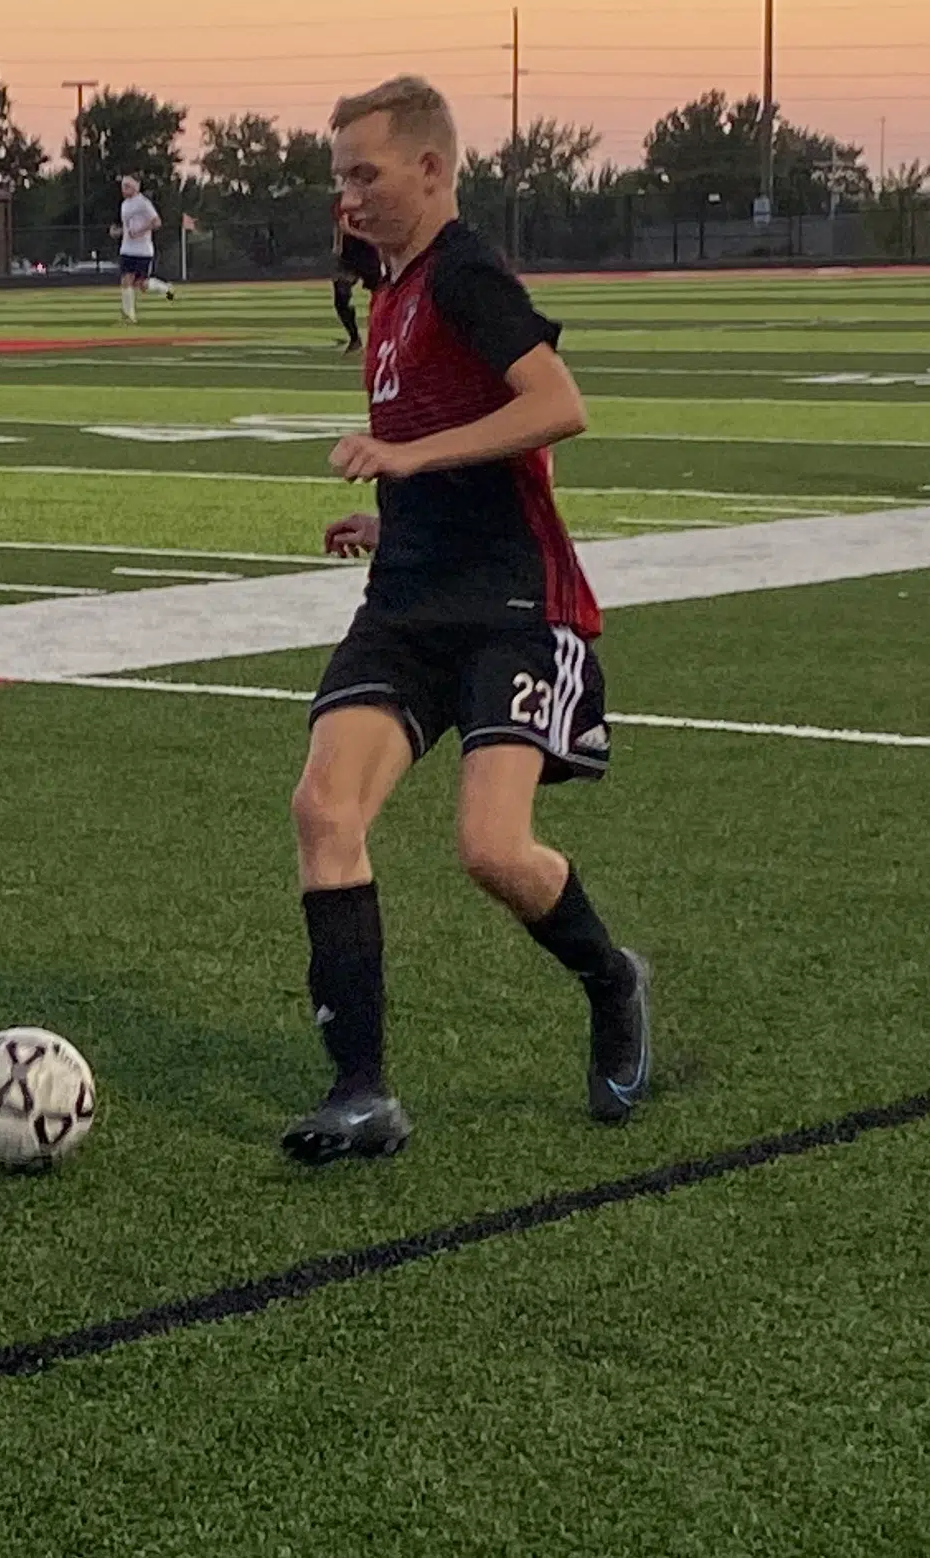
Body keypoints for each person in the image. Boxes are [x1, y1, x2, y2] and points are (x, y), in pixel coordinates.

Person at [279, 74, 647, 1166]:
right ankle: (361, 1094)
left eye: (366, 173)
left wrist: (406, 457)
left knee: (492, 850)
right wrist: (391, 516)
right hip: (407, 601)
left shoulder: (466, 272)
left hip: (510, 606)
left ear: (430, 170)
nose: (347, 195)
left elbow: (557, 405)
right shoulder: (387, 292)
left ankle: (611, 976)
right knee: (323, 810)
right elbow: (452, 449)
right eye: (339, 174)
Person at [116, 175, 176, 322]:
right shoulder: (124, 204)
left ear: (135, 187)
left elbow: (157, 222)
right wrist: (118, 232)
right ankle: (128, 315)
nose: (124, 189)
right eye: (123, 186)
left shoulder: (143, 203)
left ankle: (166, 288)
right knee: (126, 280)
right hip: (127, 248)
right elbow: (127, 227)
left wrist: (140, 231)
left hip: (142, 249)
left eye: (127, 186)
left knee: (141, 284)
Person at [332, 195, 384, 352]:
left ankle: (381, 337)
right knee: (341, 298)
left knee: (380, 300)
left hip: (368, 255)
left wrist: (352, 232)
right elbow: (339, 224)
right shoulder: (343, 203)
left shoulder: (374, 205)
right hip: (348, 255)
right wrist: (337, 244)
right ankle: (354, 338)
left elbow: (377, 235)